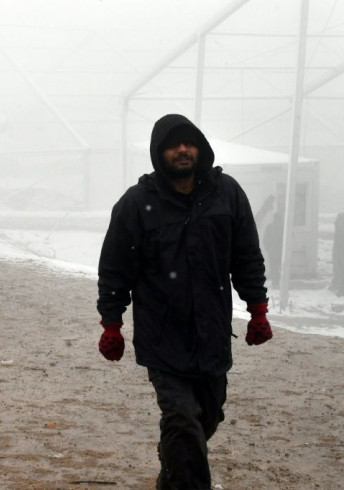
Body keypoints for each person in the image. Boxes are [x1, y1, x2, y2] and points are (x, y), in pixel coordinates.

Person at [96, 114, 272, 490]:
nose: (181, 149)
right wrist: (111, 323)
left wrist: (258, 309)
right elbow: (115, 268)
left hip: (211, 333)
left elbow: (246, 256)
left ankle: (172, 467)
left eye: (188, 142)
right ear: (159, 153)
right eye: (172, 144)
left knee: (206, 419)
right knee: (182, 420)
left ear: (200, 147)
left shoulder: (226, 194)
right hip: (162, 337)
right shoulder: (137, 204)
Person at [263, 211, 284, 288]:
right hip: (276, 251)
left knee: (277, 267)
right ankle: (276, 282)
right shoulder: (273, 227)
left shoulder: (282, 228)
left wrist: (268, 249)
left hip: (278, 251)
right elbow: (266, 239)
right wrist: (269, 248)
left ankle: (277, 282)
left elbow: (265, 239)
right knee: (276, 267)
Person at [333, 212, 344, 297]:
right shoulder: (340, 216)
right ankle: (338, 286)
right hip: (339, 246)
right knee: (339, 267)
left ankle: (341, 289)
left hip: (340, 246)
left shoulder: (340, 217)